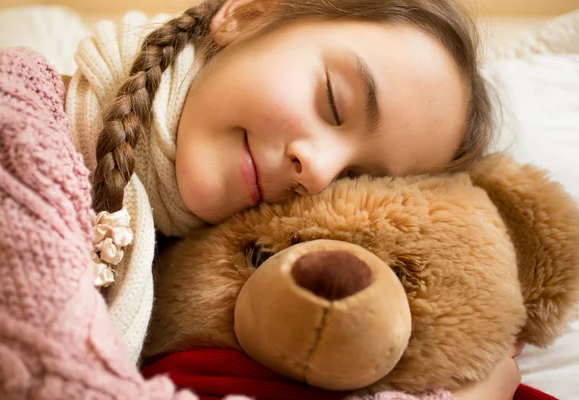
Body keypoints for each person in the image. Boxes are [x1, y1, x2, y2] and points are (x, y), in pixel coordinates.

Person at [66, 0, 517, 398]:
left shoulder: (195, 267)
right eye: (333, 104)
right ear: (249, 14)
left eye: (353, 177)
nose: (319, 173)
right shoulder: (18, 123)